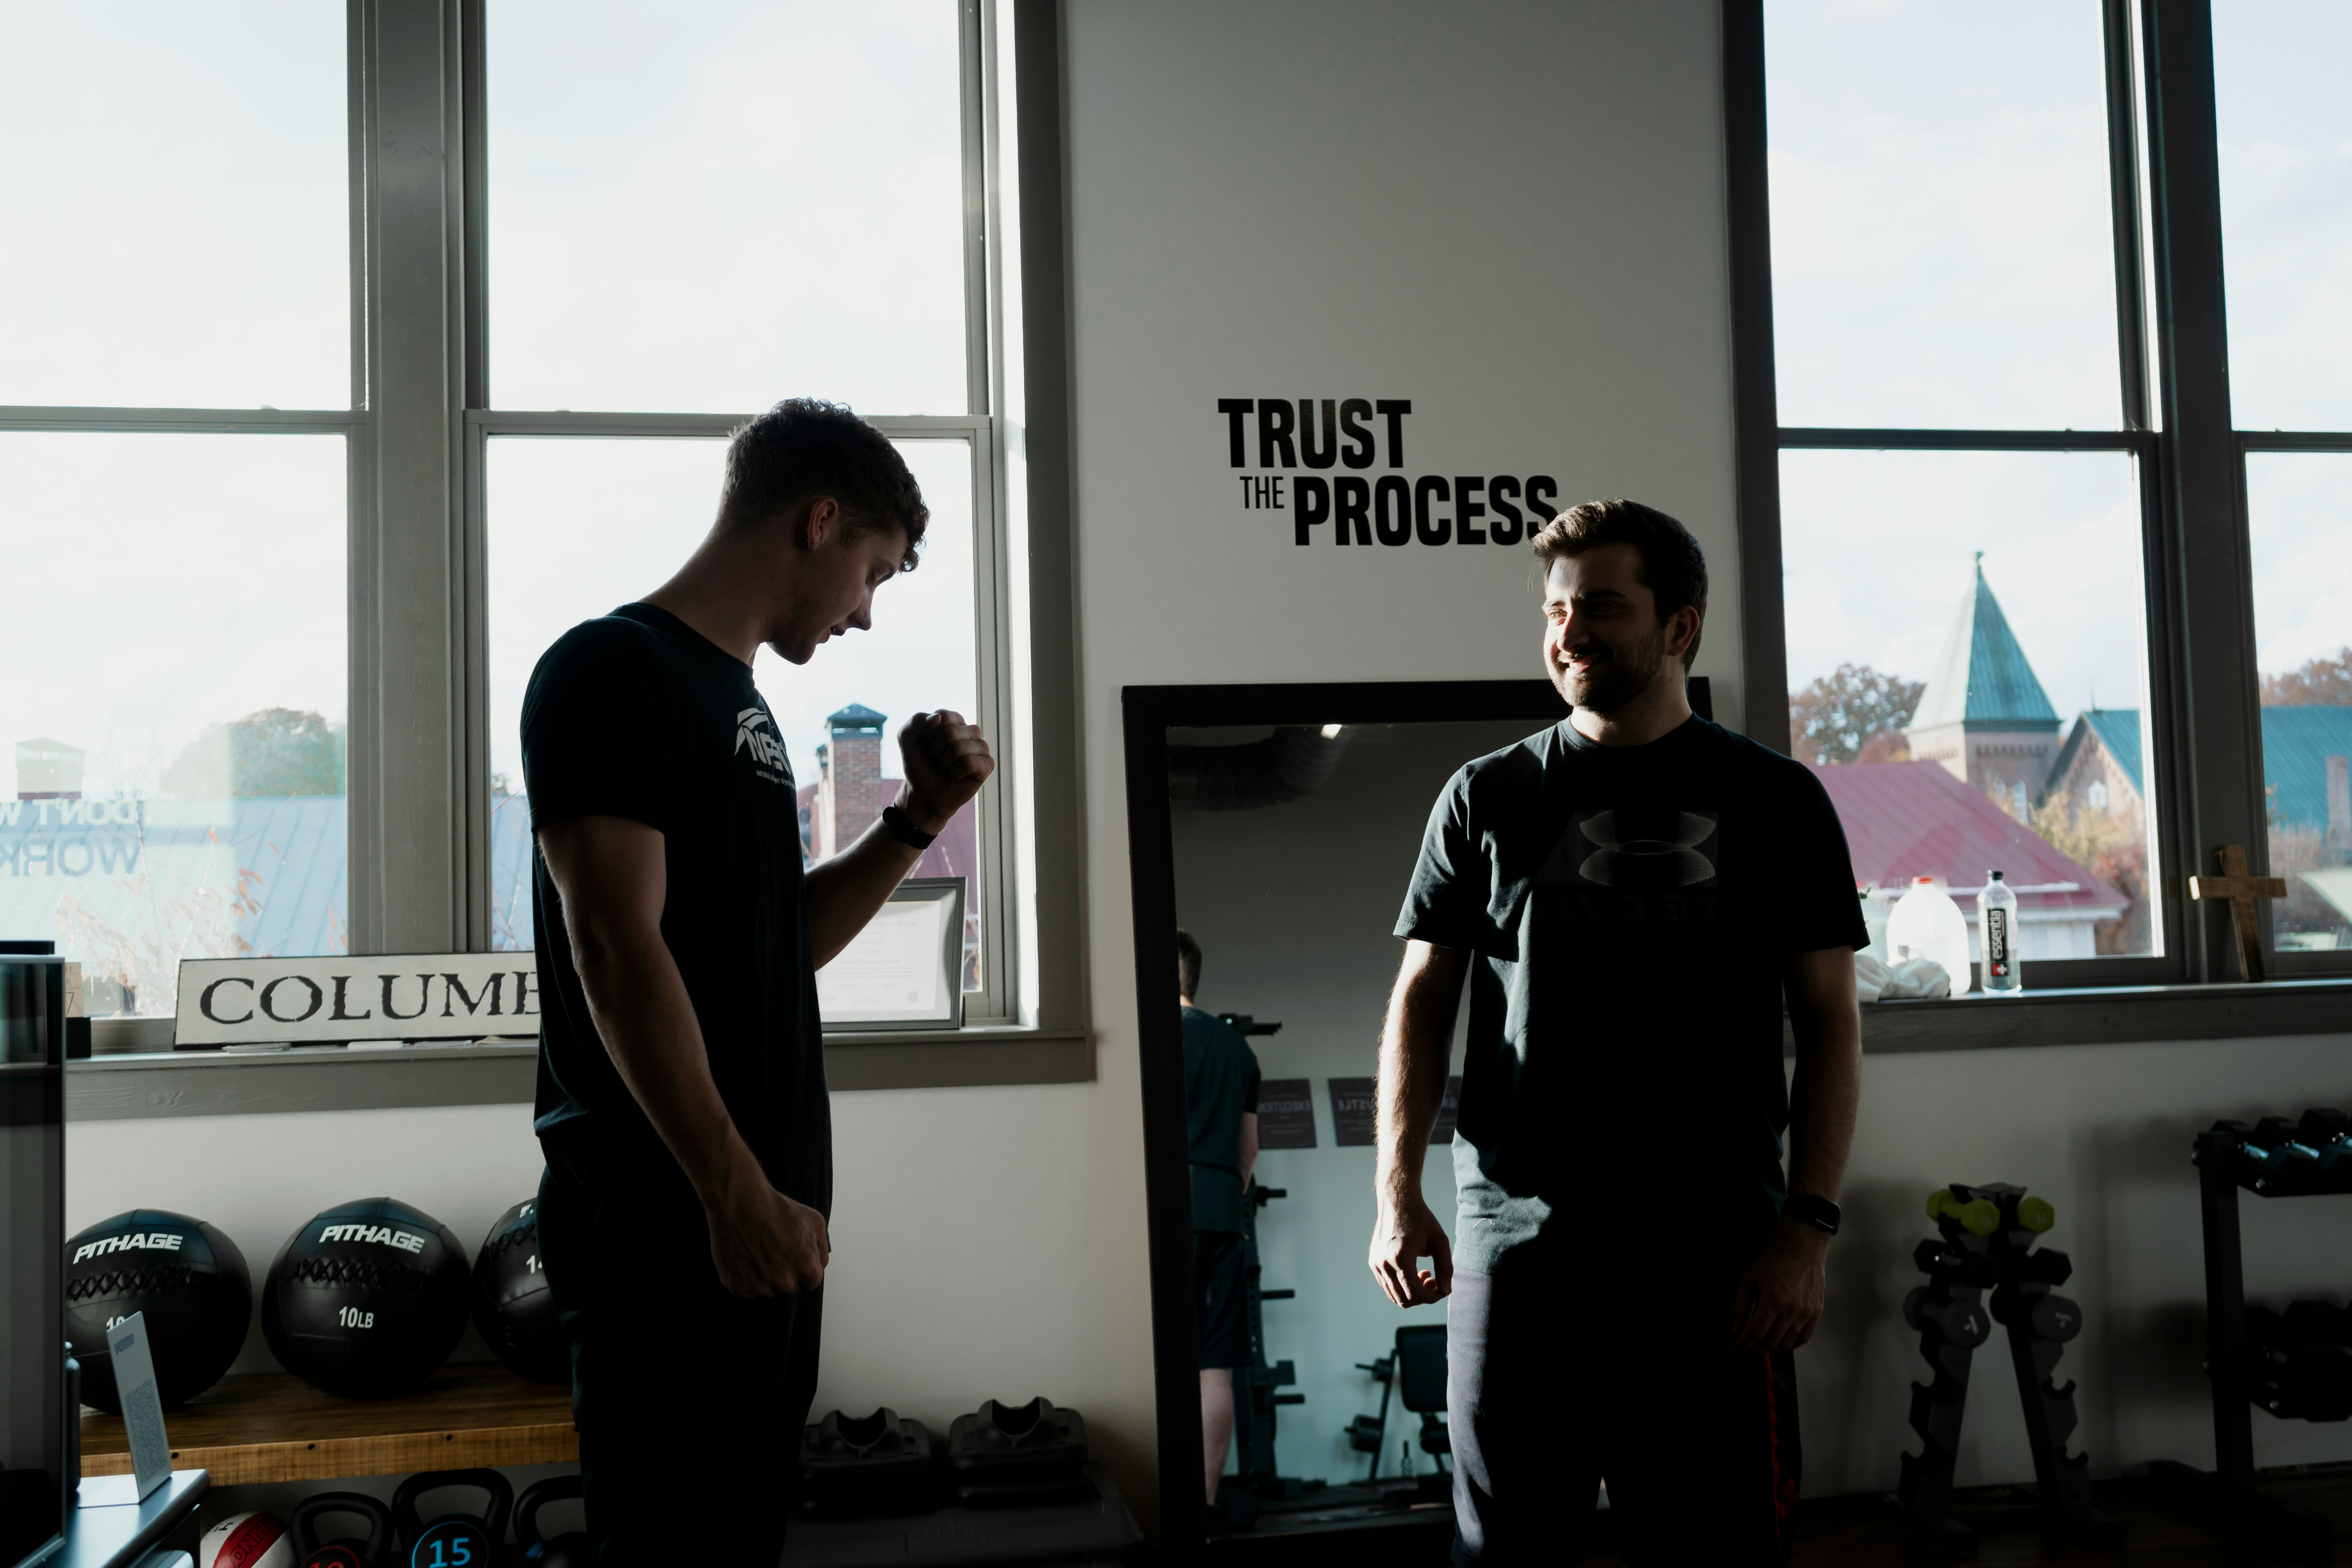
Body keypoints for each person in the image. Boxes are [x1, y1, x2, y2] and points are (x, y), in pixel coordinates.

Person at [522, 399, 995, 1563]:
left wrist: (918, 819)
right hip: (669, 1221)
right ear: (819, 521)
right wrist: (731, 1192)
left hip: (763, 1218)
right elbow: (614, 948)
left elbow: (780, 942)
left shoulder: (745, 707)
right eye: (872, 572)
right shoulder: (611, 668)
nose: (866, 613)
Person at [1366, 499, 1864, 1563]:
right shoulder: (1486, 795)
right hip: (1521, 1254)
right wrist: (1397, 1197)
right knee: (1507, 1556)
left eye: (1602, 606)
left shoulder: (1776, 800)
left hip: (1715, 1258)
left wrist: (1808, 1231)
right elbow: (1421, 1000)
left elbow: (1830, 1023)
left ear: (1680, 627)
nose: (1571, 632)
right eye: (1556, 611)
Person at [1179, 928, 1261, 1506]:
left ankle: (1167, 1507)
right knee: (1215, 1369)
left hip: (1167, 1216)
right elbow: (1248, 1151)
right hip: (1224, 1212)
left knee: (1163, 1359)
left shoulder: (1151, 1037)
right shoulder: (1239, 1051)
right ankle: (1204, 1505)